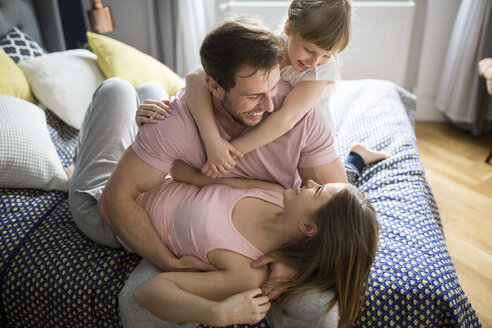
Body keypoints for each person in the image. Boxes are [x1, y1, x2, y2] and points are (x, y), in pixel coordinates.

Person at [68, 16, 382, 328]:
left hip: (154, 185)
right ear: (215, 87)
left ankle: (129, 147)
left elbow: (344, 228)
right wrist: (168, 261)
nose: (270, 105)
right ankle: (79, 171)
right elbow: (115, 201)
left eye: (273, 87)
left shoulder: (256, 258)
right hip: (103, 206)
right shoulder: (181, 124)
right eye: (253, 95)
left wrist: (290, 268)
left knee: (132, 92)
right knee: (116, 89)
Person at [132, 160, 380, 327]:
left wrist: (216, 313)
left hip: (124, 212)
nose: (311, 182)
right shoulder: (275, 192)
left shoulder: (248, 273)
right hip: (149, 175)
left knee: (115, 90)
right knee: (149, 95)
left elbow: (147, 292)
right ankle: (356, 157)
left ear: (308, 228)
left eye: (317, 192)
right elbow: (194, 177)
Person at [136, 0, 352, 180]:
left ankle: (357, 157)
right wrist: (212, 141)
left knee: (330, 182)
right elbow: (195, 78)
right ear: (288, 28)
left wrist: (227, 153)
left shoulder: (323, 68)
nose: (315, 62)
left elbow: (287, 119)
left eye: (327, 55)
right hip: (260, 130)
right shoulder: (268, 46)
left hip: (304, 139)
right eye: (309, 50)